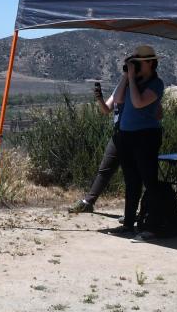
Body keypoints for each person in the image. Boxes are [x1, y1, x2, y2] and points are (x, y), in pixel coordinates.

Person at [107, 45, 165, 242]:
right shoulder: (134, 81)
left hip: (146, 136)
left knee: (149, 181)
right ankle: (129, 224)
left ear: (149, 63)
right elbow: (118, 99)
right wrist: (126, 75)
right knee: (131, 182)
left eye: (138, 63)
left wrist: (131, 78)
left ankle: (152, 227)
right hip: (127, 136)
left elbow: (139, 102)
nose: (135, 66)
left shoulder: (156, 83)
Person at [68, 77, 127, 214]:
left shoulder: (137, 86)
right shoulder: (121, 86)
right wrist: (99, 98)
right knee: (105, 169)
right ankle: (89, 202)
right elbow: (106, 109)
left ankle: (136, 212)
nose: (126, 69)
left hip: (132, 134)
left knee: (133, 175)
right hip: (118, 133)